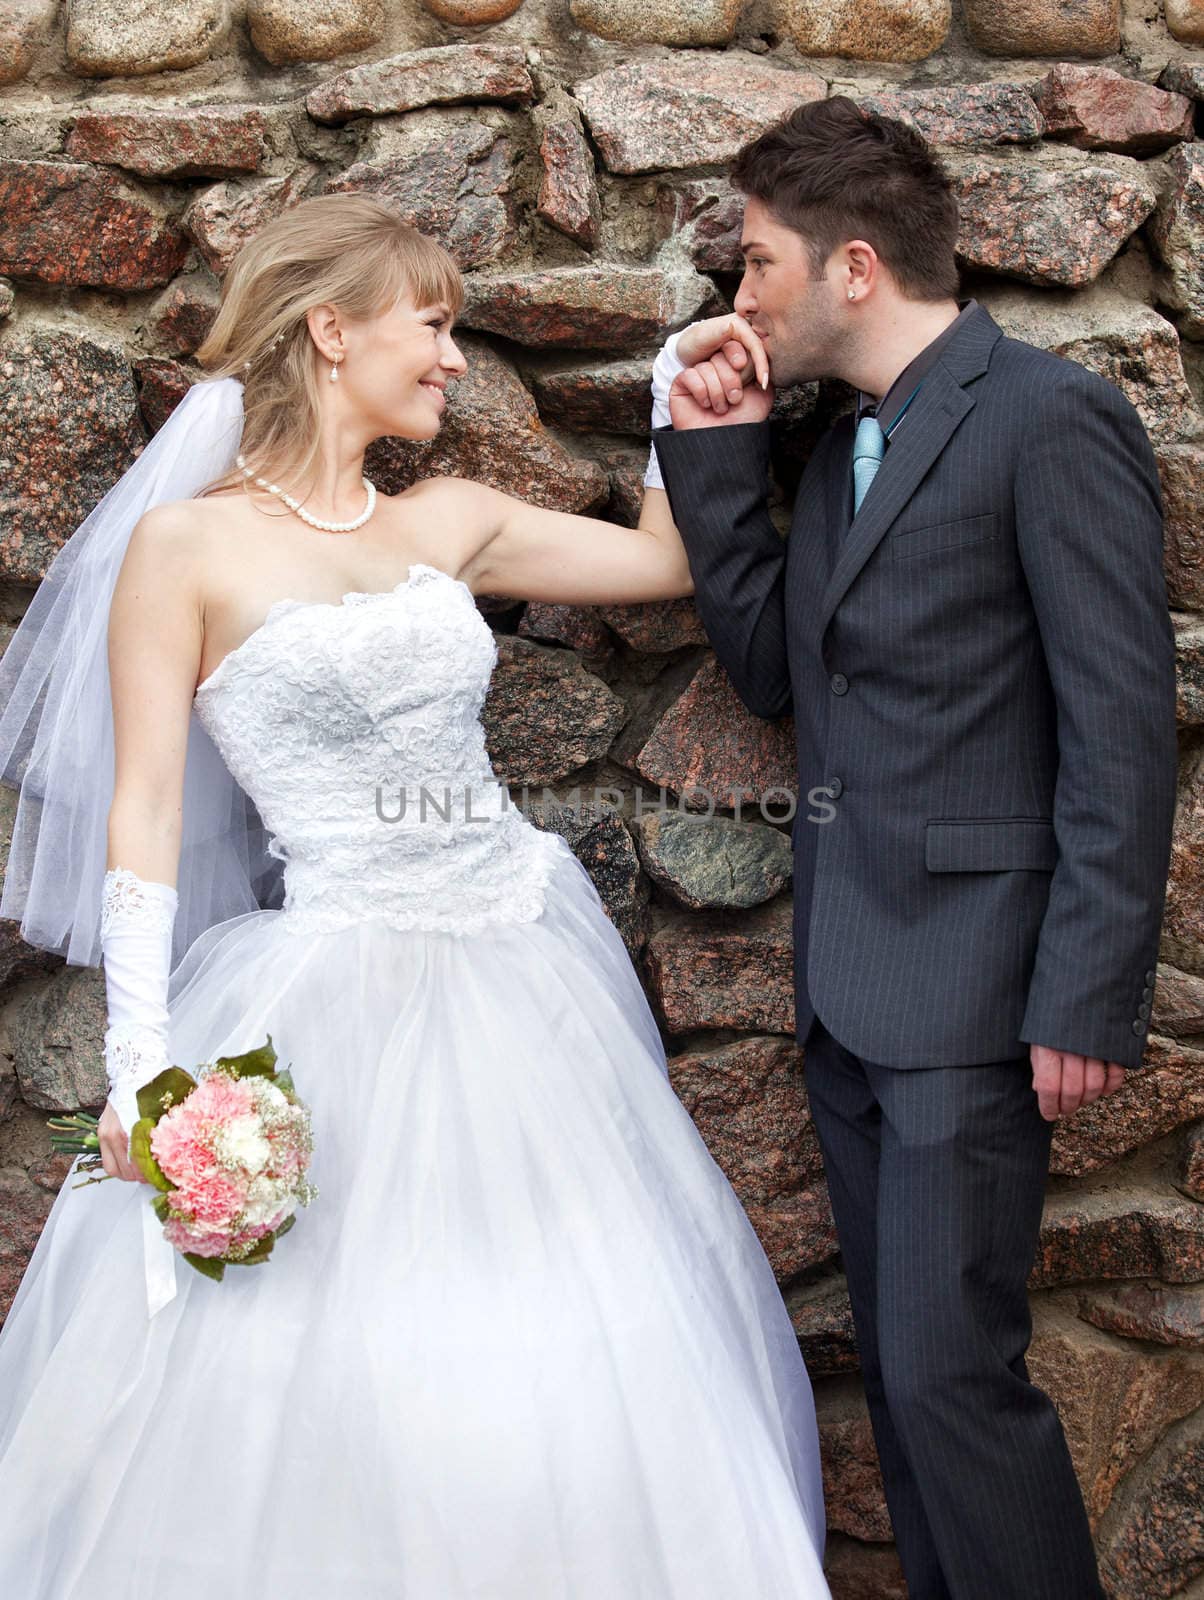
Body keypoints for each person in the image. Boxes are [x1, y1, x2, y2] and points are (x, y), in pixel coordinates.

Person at [0, 193, 831, 1598]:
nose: (455, 359)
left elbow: (658, 563)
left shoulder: (449, 518)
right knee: (337, 1354)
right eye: (433, 325)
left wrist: (675, 412)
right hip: (332, 983)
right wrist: (141, 1071)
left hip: (522, 962)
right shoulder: (184, 552)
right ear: (331, 330)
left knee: (558, 1341)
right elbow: (143, 807)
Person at [644, 97, 1179, 1600]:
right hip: (850, 995)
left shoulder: (1045, 418)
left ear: (854, 265)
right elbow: (774, 675)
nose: (736, 297)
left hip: (981, 999)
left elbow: (1122, 732)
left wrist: (1085, 993)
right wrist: (723, 452)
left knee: (958, 1387)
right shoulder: (837, 447)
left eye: (755, 265)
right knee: (907, 1392)